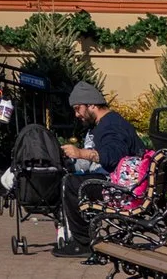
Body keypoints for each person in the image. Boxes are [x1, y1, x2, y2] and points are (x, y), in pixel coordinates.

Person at [56, 83, 142, 256]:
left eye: (78, 108)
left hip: (125, 187)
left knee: (72, 184)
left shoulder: (111, 125)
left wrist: (80, 153)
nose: (77, 114)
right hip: (124, 181)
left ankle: (83, 243)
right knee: (75, 179)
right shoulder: (106, 123)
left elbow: (112, 156)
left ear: (92, 105)